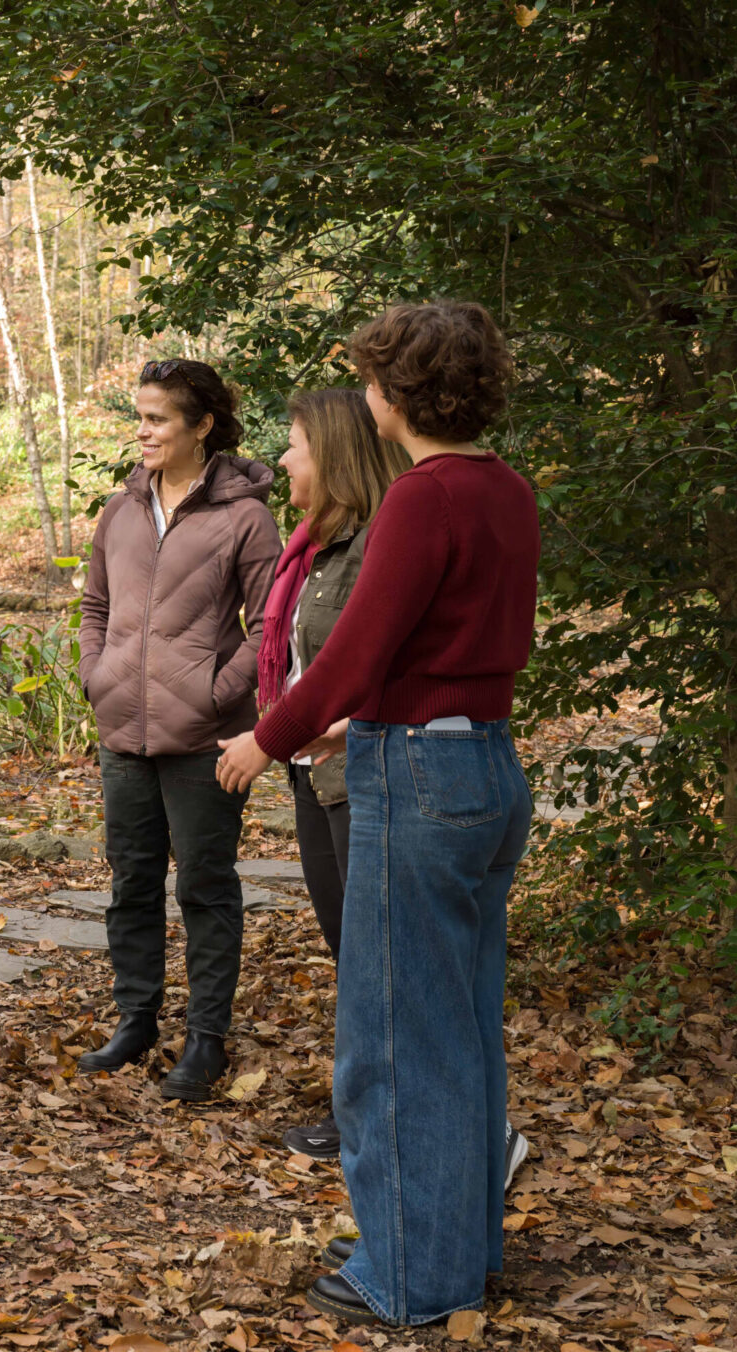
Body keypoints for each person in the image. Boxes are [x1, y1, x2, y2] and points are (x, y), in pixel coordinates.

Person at [217, 301, 538, 1327]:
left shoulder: (421, 496)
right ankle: (449, 1247)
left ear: (398, 394)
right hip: (486, 763)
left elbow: (358, 650)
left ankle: (407, 1275)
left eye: (369, 380)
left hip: (419, 775)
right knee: (459, 1028)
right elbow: (451, 643)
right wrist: (342, 726)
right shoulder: (506, 489)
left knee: (393, 1036)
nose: (363, 397)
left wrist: (266, 737)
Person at [75, 358, 281, 1100]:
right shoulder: (120, 510)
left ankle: (206, 1039)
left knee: (204, 886)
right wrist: (97, 675)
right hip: (122, 734)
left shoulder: (246, 518)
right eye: (140, 417)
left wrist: (213, 695)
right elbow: (96, 608)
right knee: (131, 882)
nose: (143, 431)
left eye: (157, 418)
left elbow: (271, 628)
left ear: (202, 426)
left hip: (205, 740)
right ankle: (136, 1021)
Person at [261, 389, 411, 1156]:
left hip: (363, 775)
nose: (284, 459)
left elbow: (387, 666)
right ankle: (368, 1109)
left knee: (378, 961)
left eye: (295, 444)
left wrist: (314, 729)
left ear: (333, 454)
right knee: (349, 951)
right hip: (312, 774)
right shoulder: (314, 547)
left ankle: (385, 1118)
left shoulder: (377, 547)